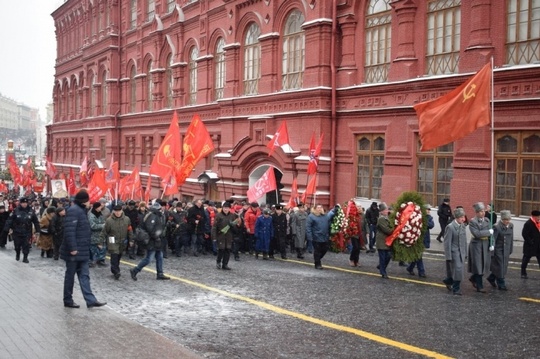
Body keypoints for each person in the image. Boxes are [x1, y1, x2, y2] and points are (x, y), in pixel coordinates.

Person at [61, 190, 106, 308]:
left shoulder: (81, 211)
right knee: (70, 276)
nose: (89, 202)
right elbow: (69, 231)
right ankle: (68, 300)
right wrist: (73, 248)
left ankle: (90, 300)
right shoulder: (74, 211)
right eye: (88, 200)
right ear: (83, 201)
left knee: (85, 275)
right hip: (74, 251)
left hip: (83, 250)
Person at [130, 202, 170, 281]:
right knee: (149, 258)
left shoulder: (154, 215)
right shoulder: (152, 216)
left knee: (160, 257)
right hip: (153, 241)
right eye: (160, 208)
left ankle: (160, 273)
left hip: (157, 240)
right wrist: (156, 237)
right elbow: (150, 229)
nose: (161, 209)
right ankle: (135, 270)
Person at [101, 203, 133, 280]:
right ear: (113, 211)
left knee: (119, 255)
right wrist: (100, 241)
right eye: (116, 211)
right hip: (112, 239)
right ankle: (116, 271)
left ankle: (114, 268)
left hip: (122, 240)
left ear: (122, 211)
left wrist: (131, 240)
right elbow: (104, 231)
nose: (118, 213)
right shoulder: (109, 220)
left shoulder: (127, 219)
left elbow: (130, 230)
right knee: (114, 255)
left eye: (119, 211)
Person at [3, 197, 40, 263]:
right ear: (20, 203)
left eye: (25, 203)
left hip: (27, 230)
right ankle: (17, 254)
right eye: (23, 203)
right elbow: (9, 220)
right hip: (17, 230)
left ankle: (25, 257)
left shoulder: (31, 211)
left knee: (26, 245)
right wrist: (7, 229)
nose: (24, 204)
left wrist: (37, 230)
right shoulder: (16, 210)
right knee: (17, 245)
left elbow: (36, 221)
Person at [467, 202, 493, 293]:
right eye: (481, 211)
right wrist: (489, 232)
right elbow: (477, 234)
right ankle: (479, 286)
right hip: (476, 245)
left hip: (485, 244)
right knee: (478, 265)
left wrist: (491, 244)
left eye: (484, 211)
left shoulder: (487, 220)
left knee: (484, 264)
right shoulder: (472, 222)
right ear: (477, 212)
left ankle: (473, 278)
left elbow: (491, 234)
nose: (483, 213)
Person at [443, 207, 468, 295]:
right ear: (457, 217)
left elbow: (464, 240)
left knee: (458, 270)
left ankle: (448, 281)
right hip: (454, 252)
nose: (463, 219)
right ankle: (456, 288)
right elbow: (447, 243)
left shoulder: (463, 226)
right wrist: (448, 256)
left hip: (461, 252)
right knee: (458, 270)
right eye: (462, 217)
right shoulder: (450, 227)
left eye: (464, 217)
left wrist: (465, 252)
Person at [487, 210, 513, 290]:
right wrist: (492, 250)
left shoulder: (511, 225)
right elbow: (493, 239)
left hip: (506, 249)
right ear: (502, 219)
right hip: (499, 249)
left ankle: (491, 278)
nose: (507, 221)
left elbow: (511, 238)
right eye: (505, 220)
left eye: (508, 220)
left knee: (503, 266)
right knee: (500, 266)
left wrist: (511, 248)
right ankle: (501, 284)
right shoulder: (497, 226)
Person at [407, 204, 434, 278]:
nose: (429, 211)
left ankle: (410, 268)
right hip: (418, 238)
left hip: (424, 238)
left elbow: (431, 225)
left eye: (429, 210)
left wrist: (425, 222)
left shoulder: (429, 218)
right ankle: (421, 272)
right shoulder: (418, 217)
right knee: (419, 255)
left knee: (417, 255)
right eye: (427, 209)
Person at [212, 202, 241, 270]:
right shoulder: (218, 215)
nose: (226, 209)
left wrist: (233, 225)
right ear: (222, 208)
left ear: (229, 209)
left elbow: (235, 228)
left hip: (229, 235)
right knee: (221, 250)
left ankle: (225, 264)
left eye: (227, 208)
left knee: (227, 250)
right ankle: (218, 262)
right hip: (220, 235)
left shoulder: (232, 215)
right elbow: (214, 227)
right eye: (224, 208)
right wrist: (214, 237)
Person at [306, 204, 334, 270]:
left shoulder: (325, 216)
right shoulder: (311, 216)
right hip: (316, 236)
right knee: (317, 250)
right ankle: (318, 264)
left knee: (325, 249)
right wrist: (309, 236)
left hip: (325, 236)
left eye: (321, 207)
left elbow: (329, 223)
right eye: (318, 207)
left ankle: (317, 259)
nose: (319, 209)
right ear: (315, 208)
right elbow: (308, 227)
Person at [375, 202, 393, 278]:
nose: (387, 211)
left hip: (386, 241)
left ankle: (381, 267)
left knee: (388, 256)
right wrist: (395, 230)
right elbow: (387, 230)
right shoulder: (381, 219)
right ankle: (383, 272)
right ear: (381, 211)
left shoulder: (387, 217)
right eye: (385, 210)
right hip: (382, 241)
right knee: (383, 258)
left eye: (387, 209)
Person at [520, 210, 540, 279]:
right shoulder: (528, 223)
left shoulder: (538, 223)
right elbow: (524, 234)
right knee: (526, 260)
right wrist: (530, 241)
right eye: (537, 217)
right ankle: (523, 273)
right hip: (530, 246)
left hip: (538, 246)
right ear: (534, 216)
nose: (539, 218)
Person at [88, 202, 106, 267]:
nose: (100, 208)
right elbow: (92, 226)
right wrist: (102, 226)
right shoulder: (91, 215)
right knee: (93, 249)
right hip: (93, 235)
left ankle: (100, 260)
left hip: (100, 235)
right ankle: (91, 261)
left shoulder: (100, 214)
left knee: (102, 248)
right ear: (96, 208)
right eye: (99, 207)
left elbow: (103, 221)